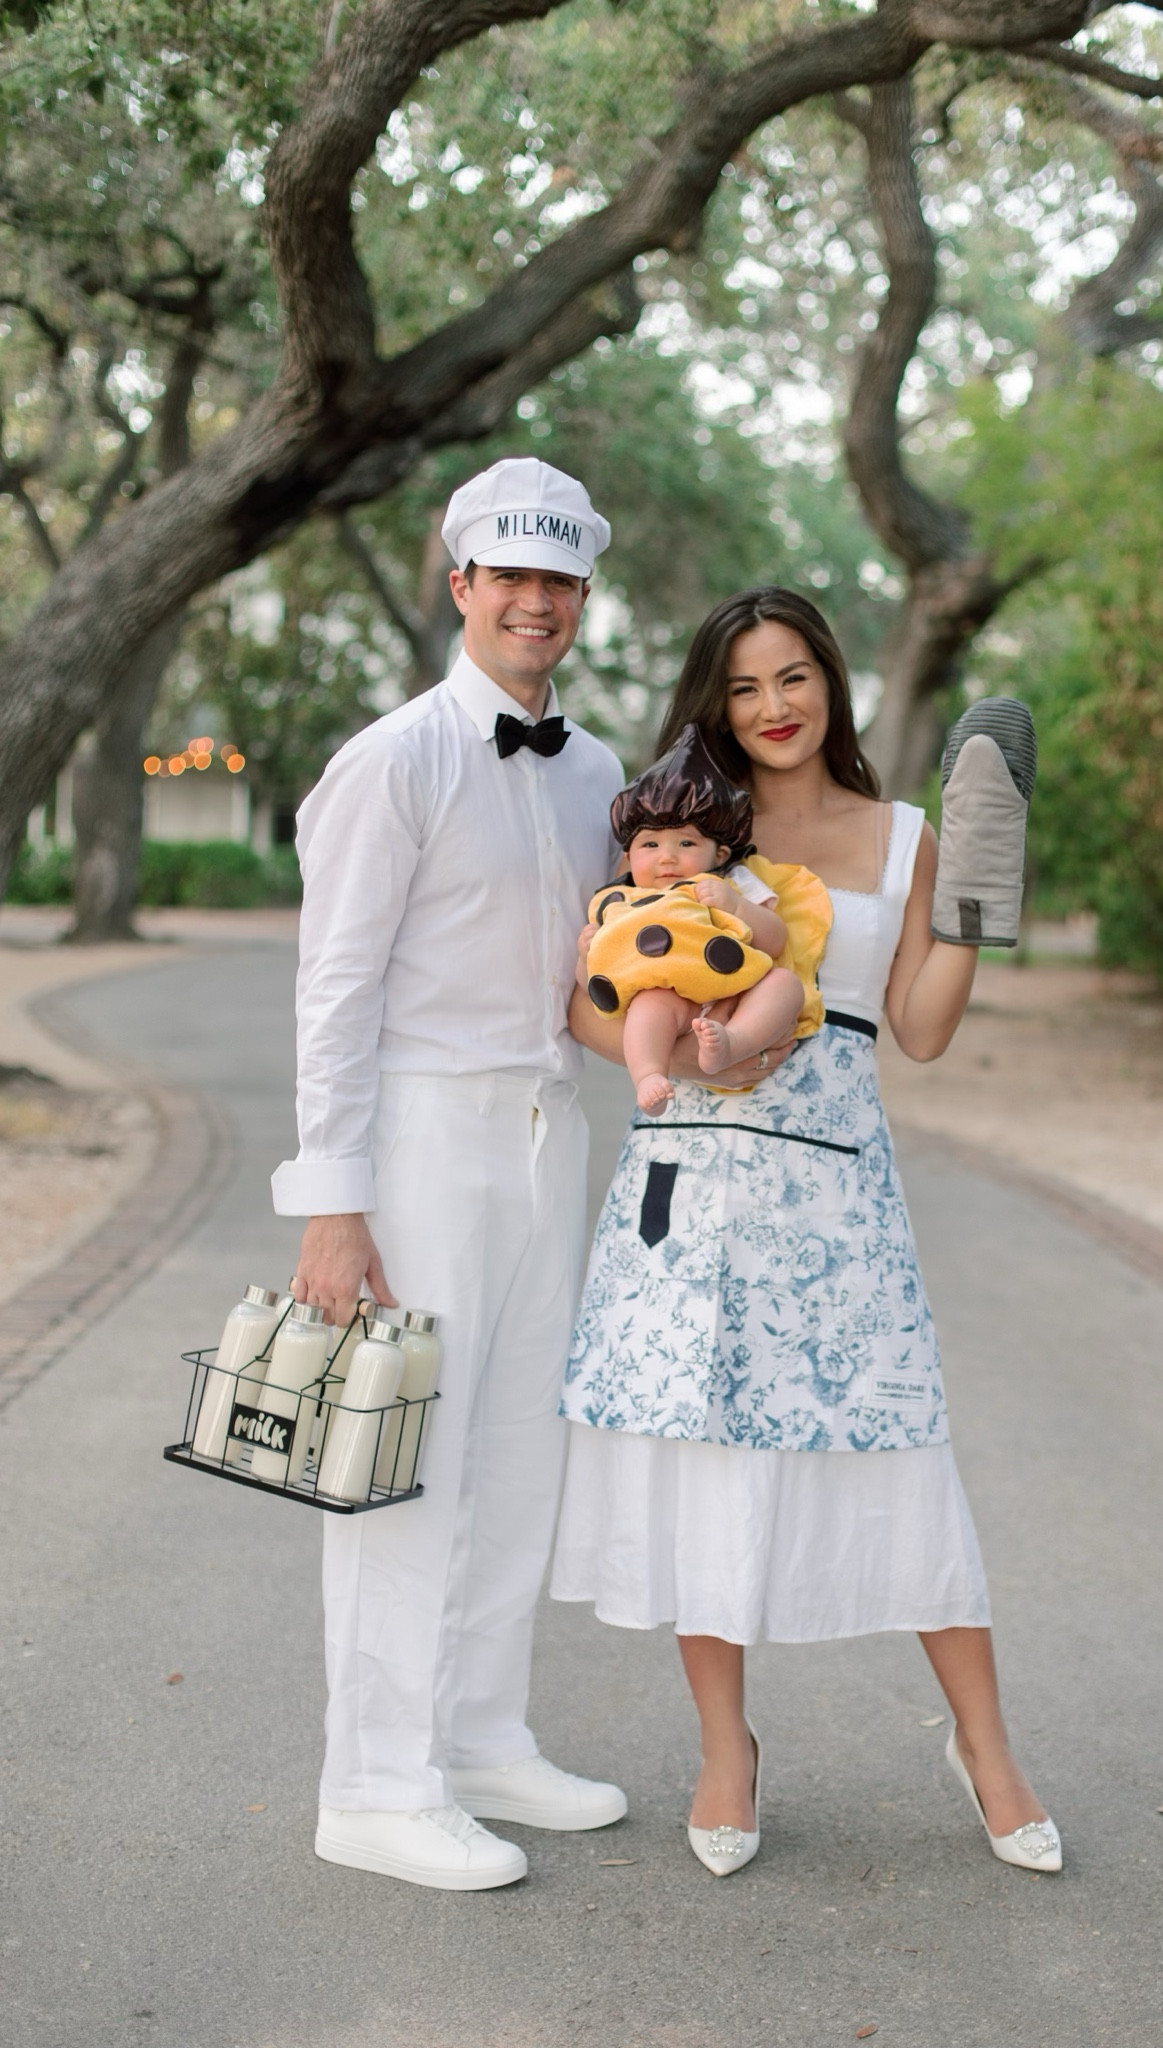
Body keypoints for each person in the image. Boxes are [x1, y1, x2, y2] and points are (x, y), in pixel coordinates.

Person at [552, 585, 1060, 1878]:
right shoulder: (681, 833)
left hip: (835, 1187)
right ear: (710, 703)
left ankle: (985, 1750)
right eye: (740, 686)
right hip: (691, 1182)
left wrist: (961, 919)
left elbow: (924, 1029)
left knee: (895, 1449)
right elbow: (591, 1005)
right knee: (700, 1458)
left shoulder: (901, 836)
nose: (770, 707)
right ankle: (728, 1752)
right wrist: (680, 1054)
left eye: (791, 677)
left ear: (829, 683)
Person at [272, 457, 633, 1892]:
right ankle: (368, 1784)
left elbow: (606, 976)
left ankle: (478, 1738)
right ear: (460, 581)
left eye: (559, 581)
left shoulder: (599, 773)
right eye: (511, 576)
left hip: (551, 1134)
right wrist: (333, 1205)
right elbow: (334, 992)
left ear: (579, 598)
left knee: (515, 1454)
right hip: (419, 1134)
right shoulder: (393, 758)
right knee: (400, 1462)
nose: (535, 602)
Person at [582, 723, 818, 1115]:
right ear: (628, 854)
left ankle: (733, 1042)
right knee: (649, 1006)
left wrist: (738, 908)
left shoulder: (734, 882)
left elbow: (775, 939)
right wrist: (585, 954)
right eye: (650, 844)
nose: (667, 857)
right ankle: (649, 1073)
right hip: (671, 995)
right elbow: (596, 981)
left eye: (686, 843)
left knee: (784, 985)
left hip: (736, 992)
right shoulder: (621, 901)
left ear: (721, 854)